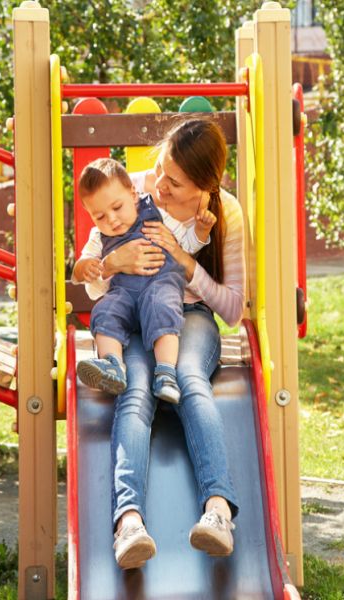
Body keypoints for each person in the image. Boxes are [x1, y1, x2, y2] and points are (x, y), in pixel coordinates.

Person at [95, 119, 245, 570]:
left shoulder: (226, 215)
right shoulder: (131, 192)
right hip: (140, 320)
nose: (159, 185)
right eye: (160, 169)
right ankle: (129, 522)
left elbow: (234, 308)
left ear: (206, 186)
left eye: (174, 182)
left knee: (188, 376)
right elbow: (92, 273)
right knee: (134, 390)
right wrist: (110, 262)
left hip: (193, 317)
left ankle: (218, 511)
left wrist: (185, 264)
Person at [72, 158, 216, 404]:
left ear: (133, 193)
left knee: (162, 305)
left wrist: (201, 232)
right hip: (124, 294)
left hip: (159, 284)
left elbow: (186, 243)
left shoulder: (156, 215)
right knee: (104, 311)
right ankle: (112, 365)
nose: (112, 220)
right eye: (100, 217)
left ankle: (166, 373)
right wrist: (85, 267)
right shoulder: (99, 237)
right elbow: (81, 269)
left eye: (117, 208)